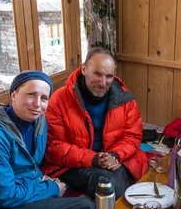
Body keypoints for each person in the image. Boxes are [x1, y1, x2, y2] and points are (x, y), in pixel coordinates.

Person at [0, 71, 95, 209]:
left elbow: (31, 166)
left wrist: (43, 182)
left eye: (44, 98)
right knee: (85, 208)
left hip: (27, 193)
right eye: (31, 95)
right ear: (14, 95)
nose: (37, 104)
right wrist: (50, 188)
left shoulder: (39, 121)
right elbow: (3, 196)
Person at [41, 48, 148, 197]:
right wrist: (94, 159)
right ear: (84, 69)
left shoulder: (125, 99)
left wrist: (114, 156)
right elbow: (54, 147)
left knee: (137, 166)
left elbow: (133, 136)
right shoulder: (59, 100)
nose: (103, 83)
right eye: (97, 74)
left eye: (109, 76)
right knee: (108, 186)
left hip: (112, 156)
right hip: (75, 163)